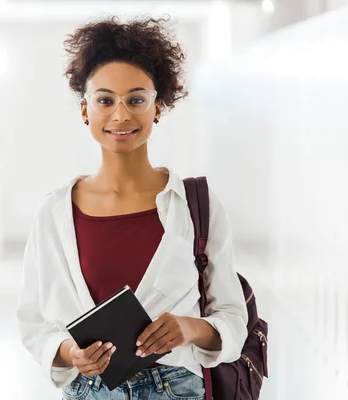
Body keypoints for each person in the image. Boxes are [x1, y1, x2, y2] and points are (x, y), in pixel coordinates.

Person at [16, 15, 247, 400]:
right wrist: (72, 353)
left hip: (176, 388)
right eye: (105, 100)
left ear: (157, 108)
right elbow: (34, 322)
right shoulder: (56, 213)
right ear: (85, 110)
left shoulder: (195, 206)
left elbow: (233, 318)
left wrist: (189, 328)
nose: (121, 115)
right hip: (87, 391)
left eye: (136, 99)